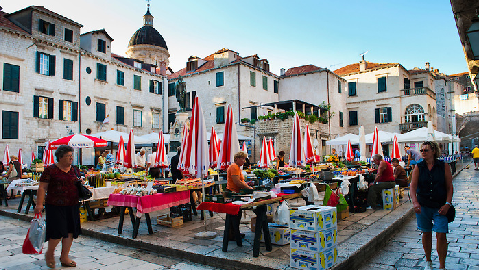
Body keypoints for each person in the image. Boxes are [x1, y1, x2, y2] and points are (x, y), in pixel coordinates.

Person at [34, 145, 81, 268]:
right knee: (57, 231)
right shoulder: (50, 170)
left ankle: (64, 256)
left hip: (73, 204)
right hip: (55, 205)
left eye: (72, 156)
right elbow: (42, 187)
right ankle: (50, 253)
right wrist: (39, 204)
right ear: (60, 157)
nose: (71, 158)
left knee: (70, 231)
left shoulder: (75, 169)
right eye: (68, 156)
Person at [410, 141, 453, 270]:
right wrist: (415, 202)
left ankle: (442, 265)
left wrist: (447, 204)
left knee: (441, 233)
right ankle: (428, 260)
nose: (423, 152)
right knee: (426, 233)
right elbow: (413, 186)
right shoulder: (419, 166)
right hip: (424, 205)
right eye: (422, 150)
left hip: (440, 206)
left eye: (426, 150)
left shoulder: (443, 166)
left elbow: (449, 187)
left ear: (433, 151)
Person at [226, 152, 253, 241]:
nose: (244, 161)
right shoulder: (234, 167)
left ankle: (234, 233)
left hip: (235, 192)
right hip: (232, 192)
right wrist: (248, 187)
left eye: (244, 159)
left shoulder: (237, 167)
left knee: (237, 214)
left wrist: (246, 184)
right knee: (234, 214)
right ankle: (233, 234)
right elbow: (237, 181)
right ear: (237, 158)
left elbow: (240, 181)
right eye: (242, 158)